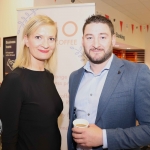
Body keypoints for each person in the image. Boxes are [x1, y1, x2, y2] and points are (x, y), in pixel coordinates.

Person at [67, 14, 150, 150]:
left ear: (112, 40)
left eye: (103, 37)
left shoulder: (136, 73)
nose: (96, 44)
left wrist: (104, 138)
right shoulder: (74, 77)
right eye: (89, 37)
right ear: (82, 41)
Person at [0, 15, 63, 150]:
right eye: (38, 37)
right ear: (26, 40)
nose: (46, 44)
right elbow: (8, 138)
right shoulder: (15, 80)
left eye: (51, 39)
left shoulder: (48, 76)